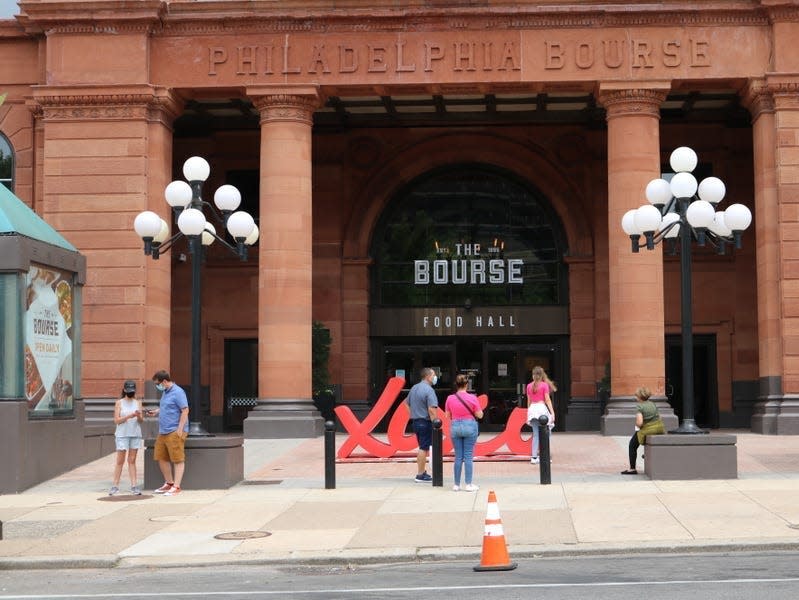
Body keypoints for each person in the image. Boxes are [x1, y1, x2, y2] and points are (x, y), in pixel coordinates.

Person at [145, 370, 189, 495]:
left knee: (177, 459)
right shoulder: (165, 392)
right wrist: (156, 411)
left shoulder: (178, 392)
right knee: (161, 457)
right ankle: (169, 483)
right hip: (163, 431)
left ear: (164, 381)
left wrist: (180, 429)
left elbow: (185, 410)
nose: (157, 386)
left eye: (157, 384)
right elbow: (168, 406)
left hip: (174, 430)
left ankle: (177, 486)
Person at [444, 373, 483, 492]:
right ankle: (469, 484)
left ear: (456, 384)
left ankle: (456, 484)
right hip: (469, 426)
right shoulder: (472, 398)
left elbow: (447, 415)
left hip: (455, 426)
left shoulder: (450, 398)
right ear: (467, 384)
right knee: (468, 456)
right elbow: (479, 415)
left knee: (458, 457)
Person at [621, 386, 666, 475]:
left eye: (636, 396)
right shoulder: (652, 404)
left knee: (632, 445)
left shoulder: (640, 407)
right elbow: (659, 417)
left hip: (647, 430)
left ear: (639, 397)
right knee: (646, 439)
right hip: (659, 429)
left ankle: (632, 469)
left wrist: (637, 425)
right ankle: (648, 454)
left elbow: (640, 423)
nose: (636, 397)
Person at [405, 367, 439, 483]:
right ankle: (420, 474)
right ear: (428, 376)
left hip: (416, 421)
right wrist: (436, 424)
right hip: (425, 422)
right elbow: (432, 409)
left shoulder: (414, 388)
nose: (436, 377)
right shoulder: (429, 390)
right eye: (434, 375)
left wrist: (413, 414)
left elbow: (406, 403)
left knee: (422, 446)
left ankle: (422, 472)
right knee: (423, 448)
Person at [109, 380, 143, 495]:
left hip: (135, 433)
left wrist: (138, 416)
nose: (130, 393)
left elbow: (141, 421)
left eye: (132, 391)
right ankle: (115, 486)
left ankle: (134, 485)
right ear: (124, 390)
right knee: (120, 460)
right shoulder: (119, 403)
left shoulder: (138, 403)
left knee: (132, 460)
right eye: (128, 391)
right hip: (122, 434)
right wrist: (129, 416)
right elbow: (116, 420)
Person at [526, 366, 556, 464]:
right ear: (542, 375)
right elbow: (547, 400)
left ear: (533, 375)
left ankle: (534, 457)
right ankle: (546, 455)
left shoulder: (529, 386)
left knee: (535, 435)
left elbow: (529, 401)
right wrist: (552, 412)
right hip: (542, 409)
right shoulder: (544, 385)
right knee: (546, 433)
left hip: (532, 410)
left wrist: (528, 414)